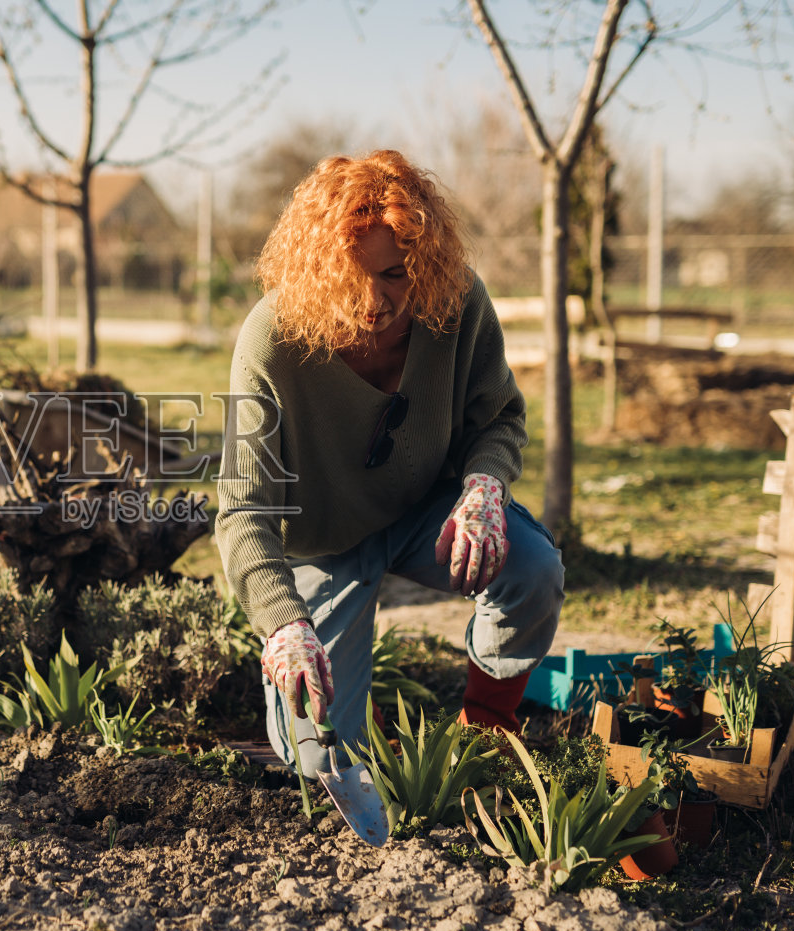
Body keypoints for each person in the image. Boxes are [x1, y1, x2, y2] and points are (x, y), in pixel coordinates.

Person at [216, 149, 565, 774]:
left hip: (424, 514)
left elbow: (498, 418)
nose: (375, 301)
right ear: (319, 267)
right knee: (316, 759)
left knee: (532, 567)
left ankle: (486, 727)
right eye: (354, 275)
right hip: (323, 544)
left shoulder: (456, 305)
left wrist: (484, 487)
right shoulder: (271, 340)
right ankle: (361, 715)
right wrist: (282, 622)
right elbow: (244, 512)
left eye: (397, 274)